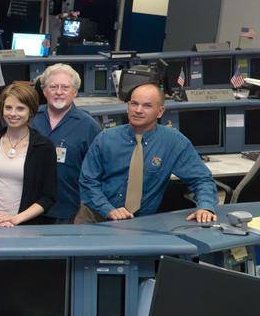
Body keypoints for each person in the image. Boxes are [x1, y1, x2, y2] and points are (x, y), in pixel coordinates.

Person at [78, 83, 217, 223]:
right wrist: (108, 209)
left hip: (140, 223)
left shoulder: (173, 142)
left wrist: (205, 206)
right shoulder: (106, 138)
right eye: (134, 104)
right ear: (128, 107)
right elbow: (88, 181)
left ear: (160, 111)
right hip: (96, 216)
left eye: (147, 106)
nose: (138, 110)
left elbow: (201, 179)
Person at [0, 81, 56, 227]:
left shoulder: (44, 146)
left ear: (31, 111)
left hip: (26, 226)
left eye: (20, 108)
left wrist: (15, 219)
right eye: (8, 107)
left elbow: (48, 196)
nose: (13, 114)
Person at [32, 63, 102, 223]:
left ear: (75, 92)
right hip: (29, 209)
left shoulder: (89, 126)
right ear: (44, 90)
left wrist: (85, 211)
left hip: (69, 212)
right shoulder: (31, 118)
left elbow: (97, 174)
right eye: (53, 86)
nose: (58, 92)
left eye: (65, 87)